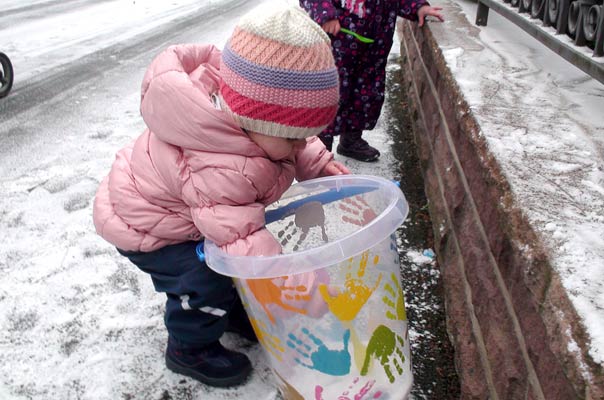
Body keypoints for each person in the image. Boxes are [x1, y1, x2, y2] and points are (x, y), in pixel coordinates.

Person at [92, 3, 350, 388]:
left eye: (305, 137)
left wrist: (317, 160)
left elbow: (288, 135)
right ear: (251, 121)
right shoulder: (220, 166)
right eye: (295, 139)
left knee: (227, 265)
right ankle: (188, 346)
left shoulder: (254, 124)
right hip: (149, 229)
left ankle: (229, 311)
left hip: (192, 210)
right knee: (203, 278)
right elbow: (241, 239)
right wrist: (291, 285)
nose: (301, 145)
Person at [299, 0, 445, 162]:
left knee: (365, 95)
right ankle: (320, 149)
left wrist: (418, 7)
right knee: (331, 97)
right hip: (338, 41)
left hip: (374, 46)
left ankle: (351, 140)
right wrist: (326, 15)